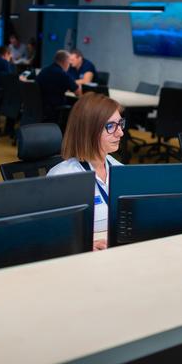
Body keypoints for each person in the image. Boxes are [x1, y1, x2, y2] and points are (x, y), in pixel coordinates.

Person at [47, 92, 124, 250]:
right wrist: (82, 243)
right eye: (110, 126)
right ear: (89, 130)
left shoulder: (120, 170)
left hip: (117, 246)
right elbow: (49, 233)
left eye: (120, 124)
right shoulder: (63, 177)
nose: (120, 133)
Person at [34, 50, 82, 121]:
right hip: (55, 112)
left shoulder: (44, 70)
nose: (69, 66)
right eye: (69, 63)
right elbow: (79, 94)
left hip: (40, 110)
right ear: (65, 62)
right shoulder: (63, 75)